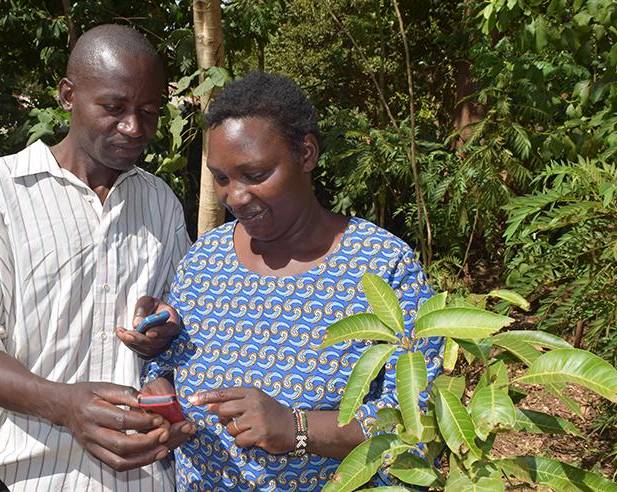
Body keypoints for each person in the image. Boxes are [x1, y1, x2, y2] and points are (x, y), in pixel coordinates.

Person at [0, 24, 194, 492]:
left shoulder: (161, 202)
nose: (134, 127)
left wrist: (165, 331)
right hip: (31, 472)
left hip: (145, 475)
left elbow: (179, 318)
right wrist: (64, 405)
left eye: (148, 111)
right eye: (114, 107)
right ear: (68, 94)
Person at [128, 71, 444, 491]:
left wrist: (297, 429)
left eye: (256, 175)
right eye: (221, 177)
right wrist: (159, 385)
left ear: (307, 154)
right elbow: (170, 368)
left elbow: (418, 422)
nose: (235, 196)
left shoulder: (381, 266)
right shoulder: (205, 259)